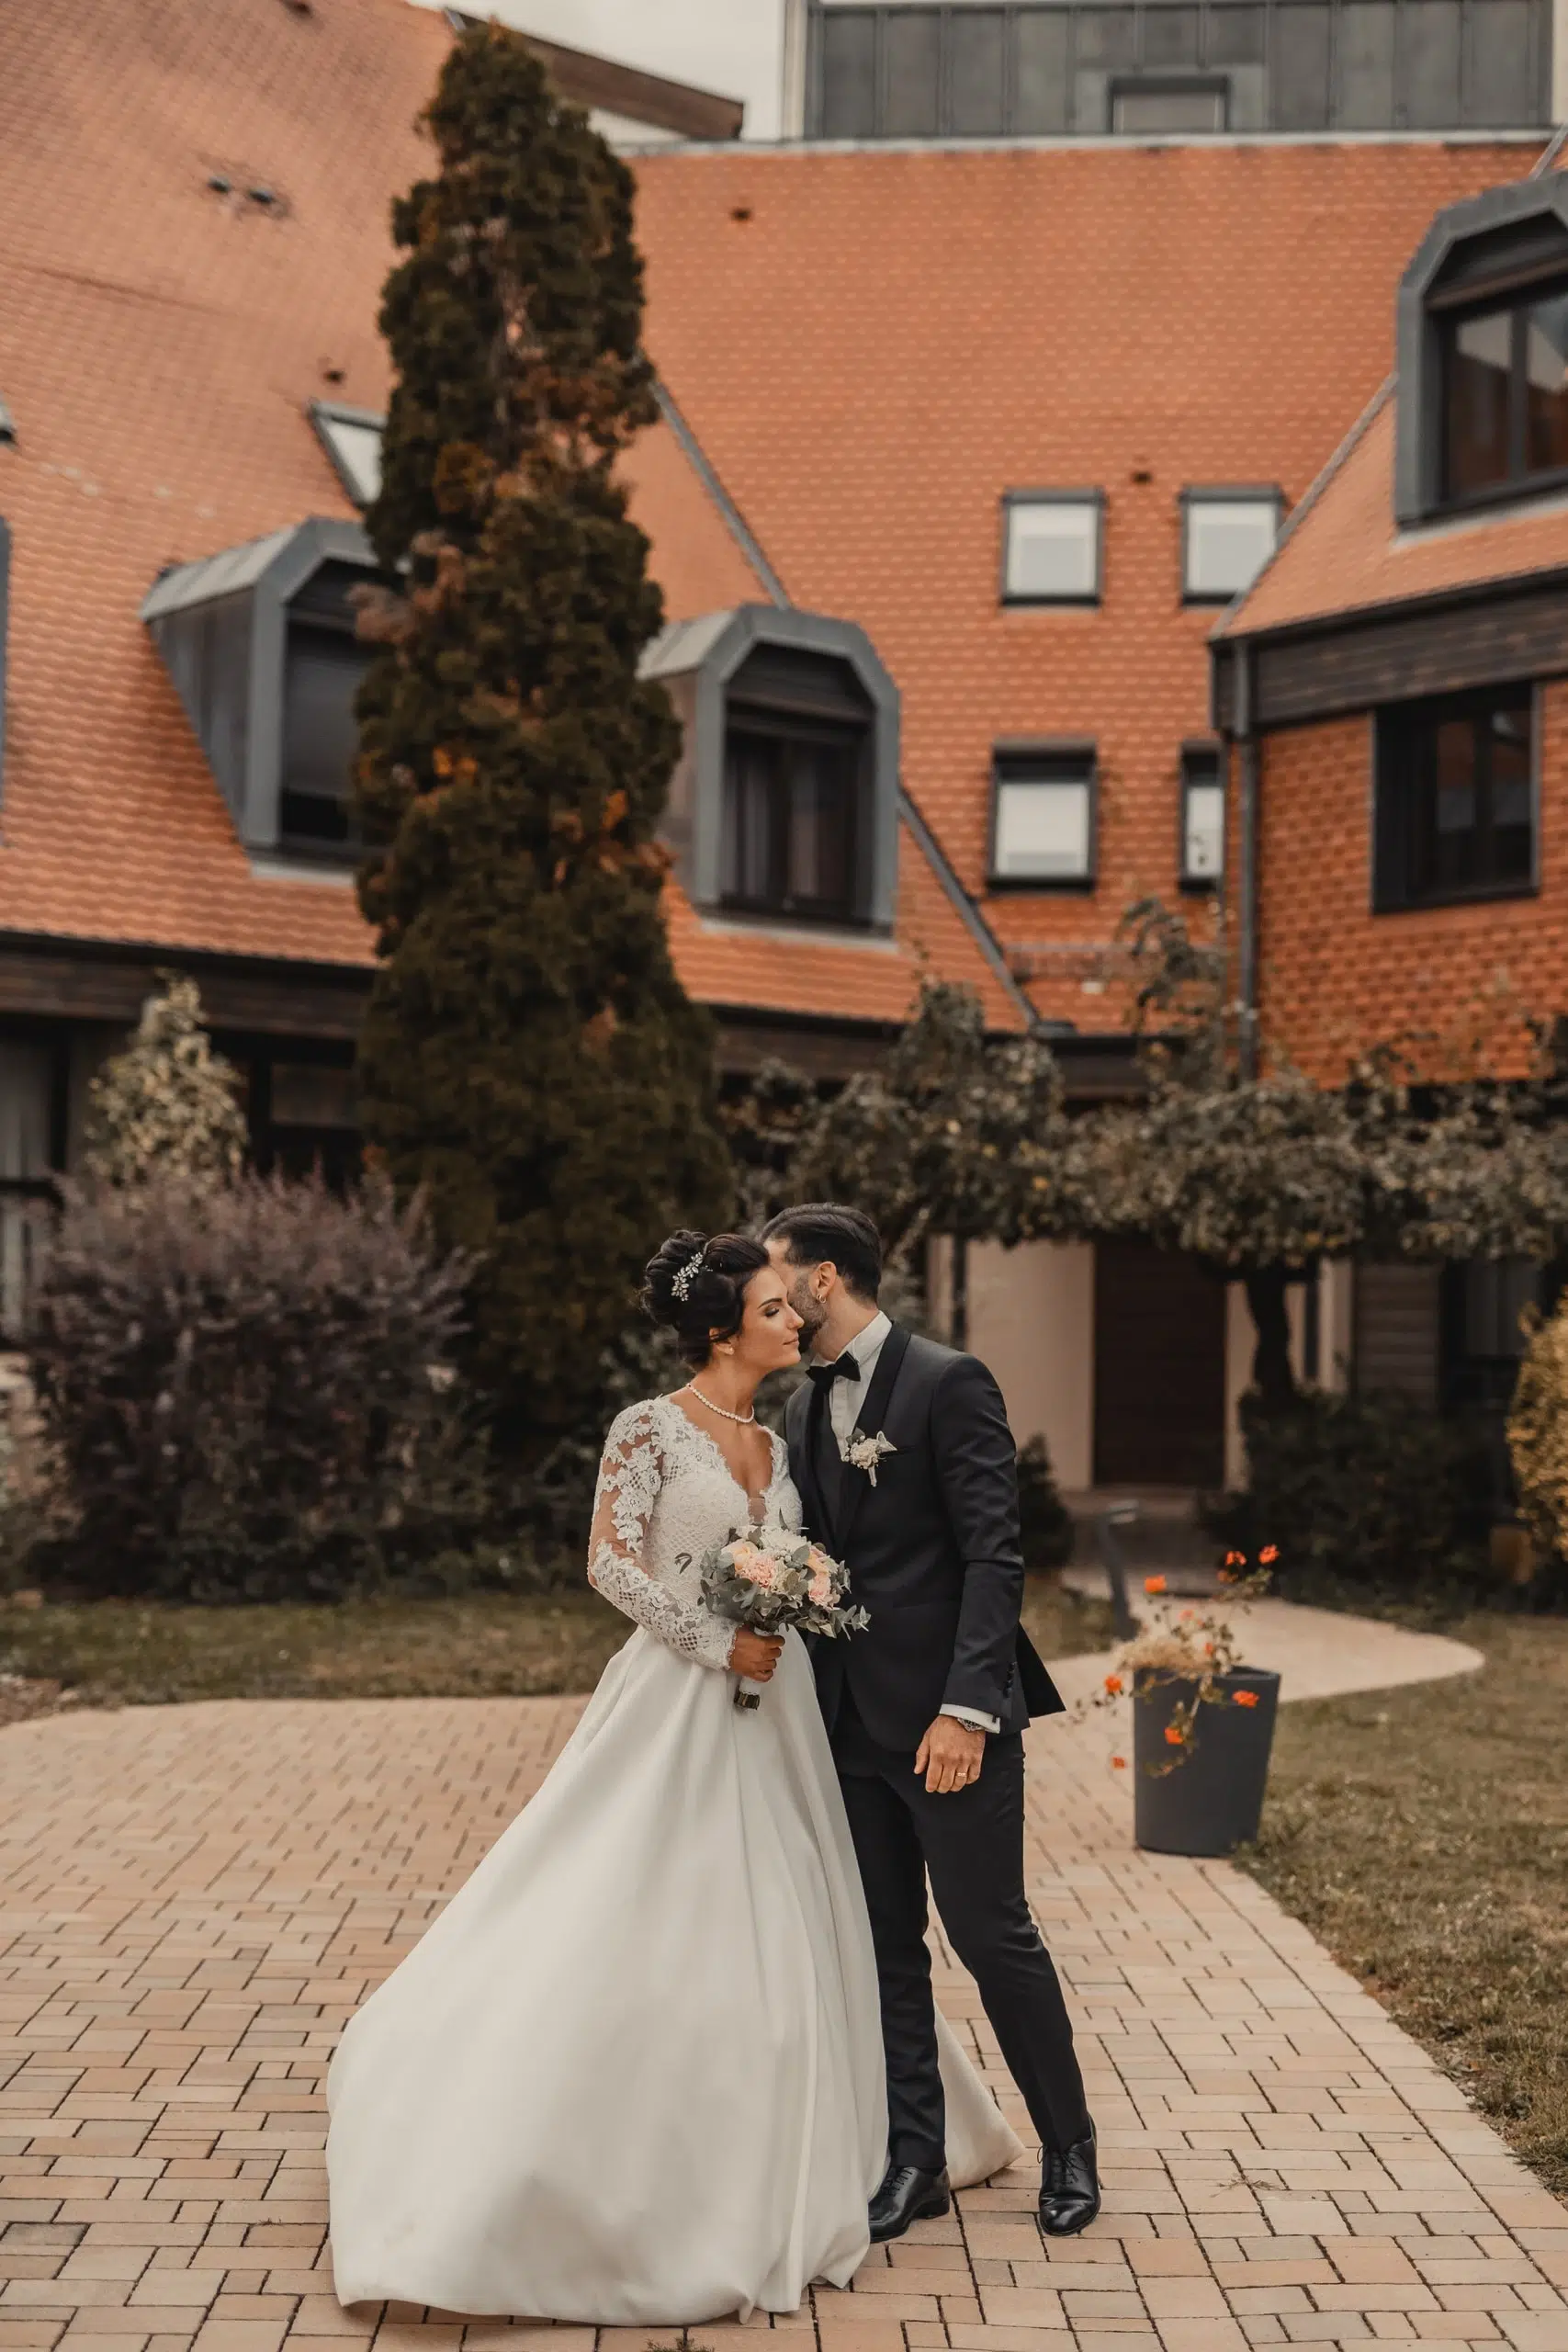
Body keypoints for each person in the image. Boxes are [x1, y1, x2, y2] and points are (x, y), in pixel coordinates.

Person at [325, 1229, 1021, 2328]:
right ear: (723, 1330)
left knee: (800, 1904)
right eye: (772, 1308)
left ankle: (863, 2128)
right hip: (676, 1700)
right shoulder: (647, 1427)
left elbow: (817, 1557)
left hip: (781, 1712)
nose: (793, 1318)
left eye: (790, 1303)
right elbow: (607, 1559)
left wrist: (802, 1600)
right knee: (640, 1895)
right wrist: (710, 1640)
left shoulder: (783, 1439)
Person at [763, 1202, 1100, 2245]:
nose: (768, 1297)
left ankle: (1070, 2145)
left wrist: (966, 1709)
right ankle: (916, 2157)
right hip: (848, 1727)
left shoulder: (950, 1382)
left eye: (777, 1276)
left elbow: (995, 1556)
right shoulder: (801, 1406)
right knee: (883, 1947)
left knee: (991, 1935)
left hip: (950, 1726)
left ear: (823, 1278)